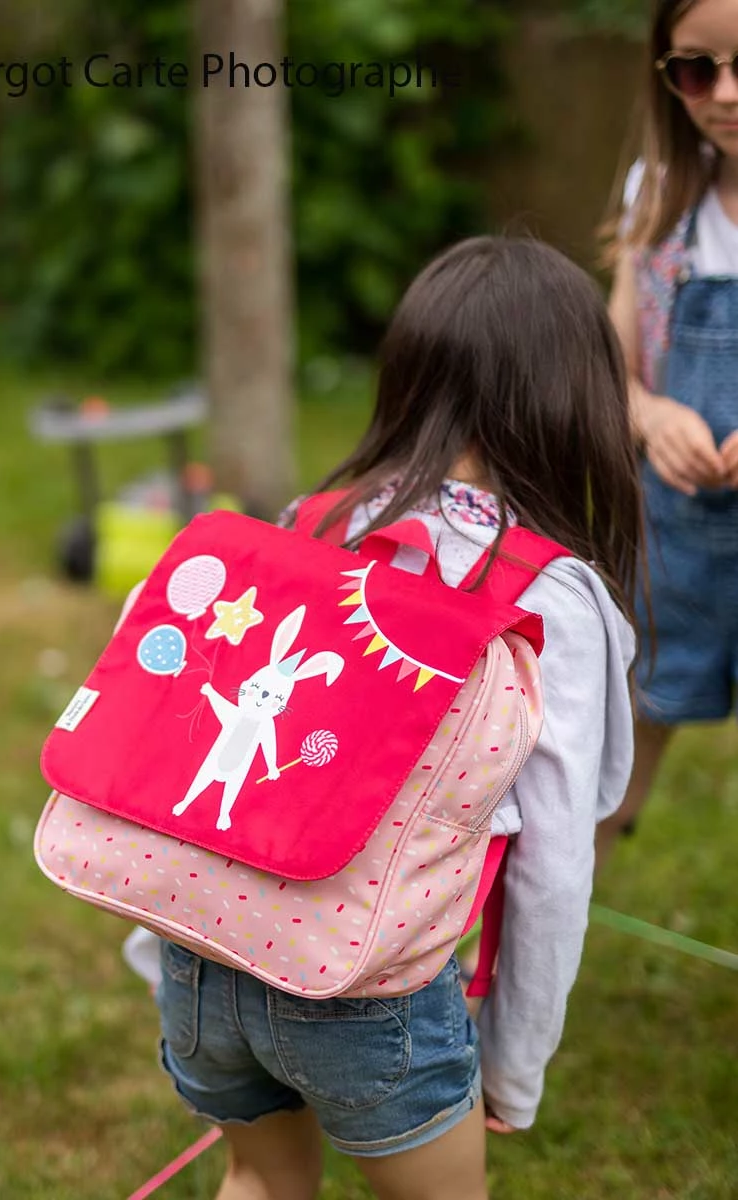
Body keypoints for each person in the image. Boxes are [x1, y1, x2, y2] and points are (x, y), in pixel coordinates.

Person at [145, 237, 640, 1200]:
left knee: (258, 1180)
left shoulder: (309, 521)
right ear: (575, 397)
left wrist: (161, 938)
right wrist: (516, 1063)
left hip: (203, 959)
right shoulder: (549, 597)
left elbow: (201, 782)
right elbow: (553, 866)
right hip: (374, 993)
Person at [596, 0, 738, 871]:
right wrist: (647, 414)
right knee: (615, 751)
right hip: (674, 546)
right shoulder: (658, 196)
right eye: (696, 69)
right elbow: (612, 371)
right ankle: (538, 932)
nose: (725, 94)